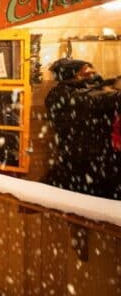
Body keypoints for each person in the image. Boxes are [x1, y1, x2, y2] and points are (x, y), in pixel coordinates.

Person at [45, 58, 121, 199]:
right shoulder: (60, 94)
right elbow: (93, 101)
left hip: (99, 156)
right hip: (82, 157)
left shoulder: (86, 89)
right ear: (73, 75)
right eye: (87, 72)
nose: (94, 74)